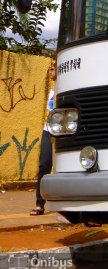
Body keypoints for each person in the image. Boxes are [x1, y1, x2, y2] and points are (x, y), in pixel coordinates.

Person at [31, 62, 56, 216]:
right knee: (44, 165)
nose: (50, 72)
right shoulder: (51, 92)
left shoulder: (67, 89)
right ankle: (40, 204)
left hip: (65, 132)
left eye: (52, 69)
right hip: (48, 130)